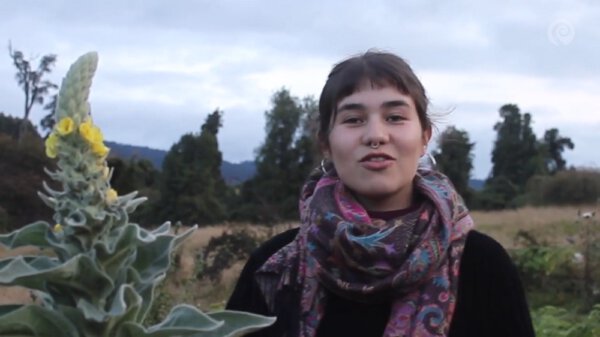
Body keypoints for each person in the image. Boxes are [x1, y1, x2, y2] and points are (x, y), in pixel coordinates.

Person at [227, 51, 535, 337]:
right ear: (326, 143)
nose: (376, 135)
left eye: (395, 117)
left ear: (425, 136)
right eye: (353, 119)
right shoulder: (275, 267)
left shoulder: (482, 266)